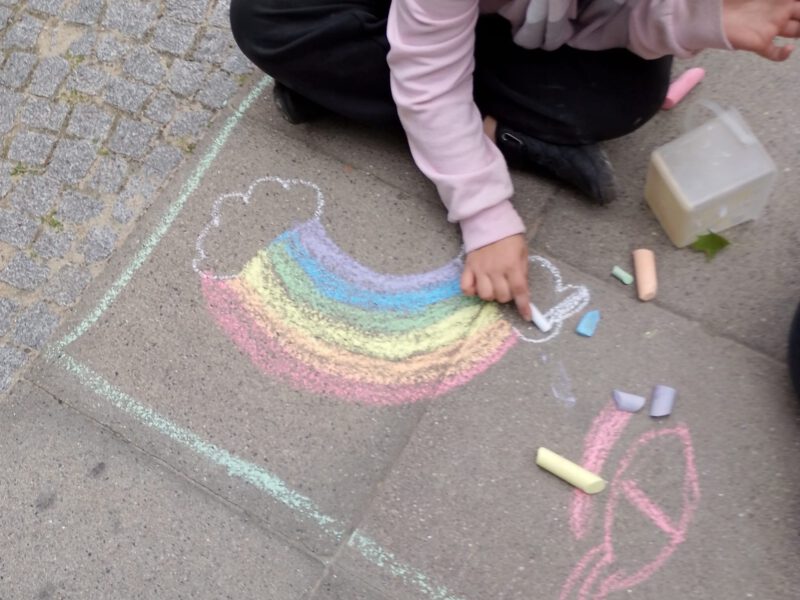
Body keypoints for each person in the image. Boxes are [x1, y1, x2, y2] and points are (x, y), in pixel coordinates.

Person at [229, 0, 799, 322]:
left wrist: (710, 20)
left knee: (628, 97)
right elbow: (427, 74)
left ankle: (345, 89)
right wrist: (484, 214)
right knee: (264, 17)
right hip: (401, 13)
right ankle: (486, 133)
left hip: (504, 30)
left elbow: (628, 19)